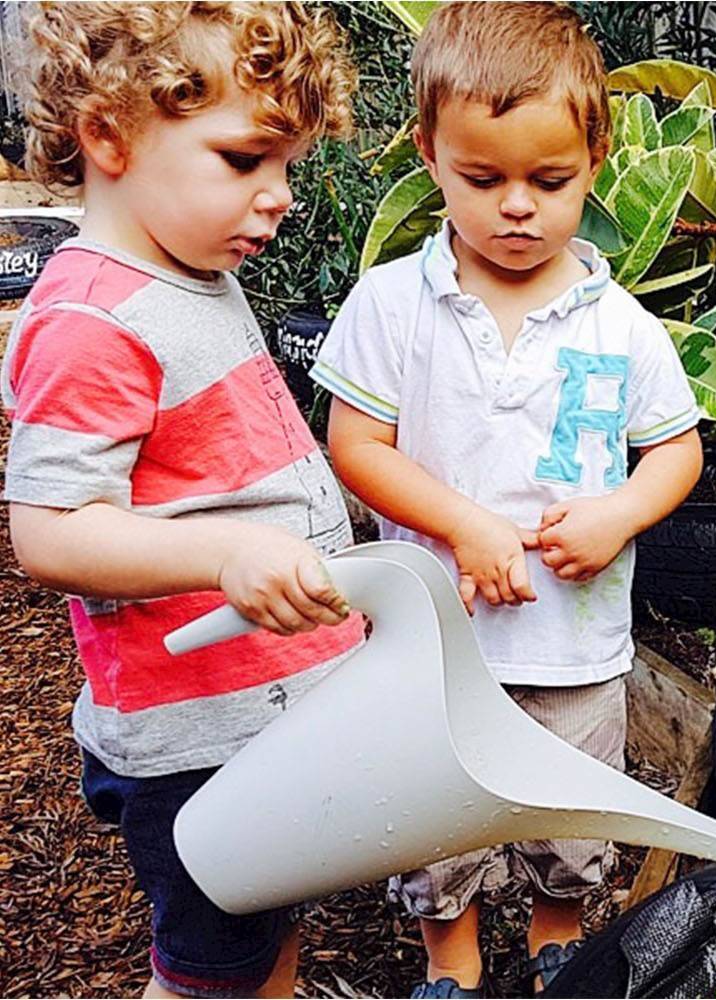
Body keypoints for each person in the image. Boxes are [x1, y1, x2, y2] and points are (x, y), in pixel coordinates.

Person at [312, 3, 703, 996]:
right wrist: (463, 523)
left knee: (568, 809)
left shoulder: (621, 326)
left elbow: (675, 450)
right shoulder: (393, 306)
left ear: (596, 156)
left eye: (549, 180)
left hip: (574, 643)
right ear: (429, 154)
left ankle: (556, 935)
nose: (516, 206)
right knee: (439, 816)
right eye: (482, 180)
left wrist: (618, 513)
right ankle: (451, 956)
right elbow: (355, 445)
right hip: (435, 646)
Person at [2, 4, 360, 997]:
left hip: (262, 718)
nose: (278, 196)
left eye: (285, 166)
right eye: (245, 160)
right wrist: (227, 556)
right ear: (110, 137)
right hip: (196, 745)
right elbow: (51, 531)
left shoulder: (184, 268)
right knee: (207, 978)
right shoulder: (91, 321)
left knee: (260, 948)